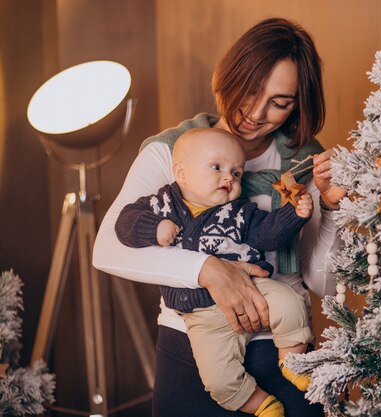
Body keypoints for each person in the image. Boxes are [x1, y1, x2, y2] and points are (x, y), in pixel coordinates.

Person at [92, 17, 346, 417]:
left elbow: (325, 285)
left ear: (298, 105)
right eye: (250, 90)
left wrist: (330, 209)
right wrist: (208, 269)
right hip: (191, 353)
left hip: (287, 352)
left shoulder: (305, 162)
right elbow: (108, 249)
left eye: (279, 103)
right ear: (230, 74)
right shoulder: (173, 152)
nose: (255, 113)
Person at [115, 127, 314, 417]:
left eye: (236, 173)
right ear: (181, 173)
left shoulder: (239, 212)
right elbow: (125, 222)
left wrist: (293, 213)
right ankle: (260, 404)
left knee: (288, 302)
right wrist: (155, 228)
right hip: (200, 312)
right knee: (218, 378)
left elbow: (267, 235)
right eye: (216, 167)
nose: (228, 178)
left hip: (252, 287)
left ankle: (291, 361)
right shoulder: (162, 205)